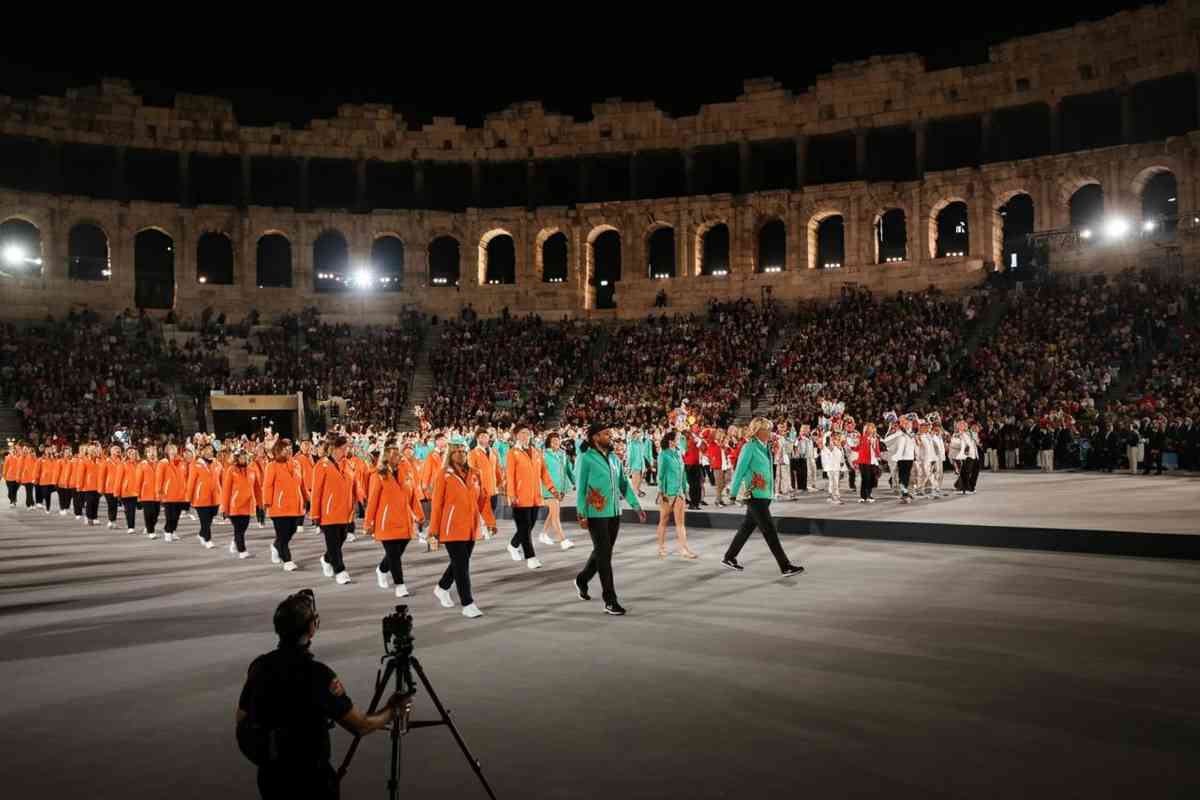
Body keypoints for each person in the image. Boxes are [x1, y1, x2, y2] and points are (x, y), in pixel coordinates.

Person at [237, 589, 409, 800]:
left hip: (271, 776)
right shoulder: (318, 675)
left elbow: (242, 720)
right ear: (312, 627)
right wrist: (393, 710)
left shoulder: (259, 666)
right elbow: (361, 726)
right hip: (311, 780)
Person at [573, 423, 646, 616]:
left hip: (614, 512)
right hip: (595, 513)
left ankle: (582, 579)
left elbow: (624, 484)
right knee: (605, 556)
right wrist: (581, 513)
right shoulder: (586, 458)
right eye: (607, 434)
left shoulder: (614, 458)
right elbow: (580, 488)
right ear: (595, 437)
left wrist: (636, 506)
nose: (610, 437)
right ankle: (610, 600)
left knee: (602, 551)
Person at [721, 417, 805, 576]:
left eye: (770, 429)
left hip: (764, 494)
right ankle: (785, 566)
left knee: (747, 527)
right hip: (754, 494)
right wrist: (733, 493)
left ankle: (729, 557)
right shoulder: (749, 447)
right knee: (770, 531)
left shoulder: (765, 447)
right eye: (767, 429)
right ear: (758, 431)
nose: (770, 432)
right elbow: (739, 471)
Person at [429, 441, 497, 618]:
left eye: (463, 451)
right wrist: (433, 531)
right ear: (450, 455)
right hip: (451, 527)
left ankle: (442, 587)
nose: (461, 455)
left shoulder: (475, 473)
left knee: (460, 562)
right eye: (457, 452)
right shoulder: (444, 474)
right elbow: (437, 505)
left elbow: (483, 500)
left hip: (471, 527)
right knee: (462, 565)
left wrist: (490, 522)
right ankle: (467, 603)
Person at [365, 445, 425, 598]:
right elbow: (372, 501)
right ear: (387, 458)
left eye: (399, 454)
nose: (400, 456)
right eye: (396, 455)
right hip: (386, 522)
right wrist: (368, 523)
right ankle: (400, 585)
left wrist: (419, 514)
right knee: (394, 554)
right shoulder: (378, 475)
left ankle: (382, 569)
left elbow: (412, 496)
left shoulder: (406, 472)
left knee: (397, 553)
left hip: (404, 520)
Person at [505, 426, 556, 570]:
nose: (525, 435)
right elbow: (510, 476)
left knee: (530, 525)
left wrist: (552, 489)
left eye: (527, 433)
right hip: (520, 497)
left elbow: (544, 473)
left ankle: (513, 545)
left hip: (535, 496)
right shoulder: (512, 453)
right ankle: (531, 557)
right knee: (524, 527)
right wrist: (512, 495)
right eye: (522, 433)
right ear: (516, 436)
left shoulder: (536, 452)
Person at [311, 435, 357, 585]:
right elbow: (316, 492)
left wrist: (358, 498)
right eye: (344, 448)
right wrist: (315, 513)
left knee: (341, 539)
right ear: (335, 449)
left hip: (345, 511)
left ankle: (326, 559)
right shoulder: (321, 465)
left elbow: (353, 485)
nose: (346, 451)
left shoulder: (348, 464)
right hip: (328, 512)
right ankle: (340, 570)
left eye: (347, 448)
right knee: (333, 543)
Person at [264, 439, 306, 572]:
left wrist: (307, 497)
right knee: (282, 535)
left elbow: (301, 483)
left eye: (289, 449)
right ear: (278, 451)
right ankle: (287, 560)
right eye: (285, 449)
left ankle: (276, 546)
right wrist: (267, 502)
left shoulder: (296, 464)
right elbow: (267, 485)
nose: (288, 451)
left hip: (295, 505)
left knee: (292, 530)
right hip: (278, 506)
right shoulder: (272, 466)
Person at [655, 430, 696, 559]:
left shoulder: (678, 453)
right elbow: (660, 475)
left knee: (680, 523)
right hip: (667, 493)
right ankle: (661, 547)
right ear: (671, 441)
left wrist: (685, 489)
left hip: (679, 493)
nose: (680, 440)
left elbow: (682, 473)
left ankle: (684, 549)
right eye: (678, 438)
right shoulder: (664, 455)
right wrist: (660, 491)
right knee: (663, 520)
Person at [537, 432, 575, 551]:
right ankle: (563, 540)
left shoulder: (563, 454)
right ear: (549, 442)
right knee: (556, 514)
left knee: (553, 512)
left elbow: (567, 470)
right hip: (548, 489)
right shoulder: (543, 455)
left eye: (558, 440)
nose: (556, 443)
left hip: (560, 488)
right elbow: (540, 473)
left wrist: (574, 483)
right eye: (554, 441)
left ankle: (543, 534)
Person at [221, 449, 258, 558]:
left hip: (247, 505)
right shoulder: (231, 470)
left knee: (243, 528)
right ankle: (242, 551)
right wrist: (224, 508)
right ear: (236, 458)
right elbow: (226, 490)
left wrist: (261, 503)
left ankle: (235, 541)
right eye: (241, 457)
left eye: (245, 456)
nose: (244, 459)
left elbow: (256, 489)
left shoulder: (251, 470)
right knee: (238, 528)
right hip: (234, 505)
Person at [187, 444, 222, 549]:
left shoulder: (217, 464)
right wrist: (188, 500)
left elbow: (222, 480)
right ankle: (208, 539)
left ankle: (202, 534)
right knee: (205, 520)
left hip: (215, 497)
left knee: (210, 519)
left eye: (211, 450)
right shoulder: (195, 464)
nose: (209, 452)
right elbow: (191, 483)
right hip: (200, 498)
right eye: (207, 450)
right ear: (202, 452)